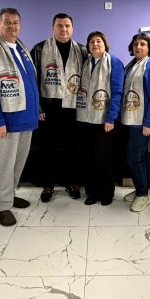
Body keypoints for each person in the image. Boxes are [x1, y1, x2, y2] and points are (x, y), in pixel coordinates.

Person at [0, 8, 39, 226]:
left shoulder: (21, 47)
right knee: (4, 165)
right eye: (7, 22)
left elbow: (30, 82)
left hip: (26, 118)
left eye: (15, 22)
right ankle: (2, 206)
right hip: (6, 122)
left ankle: (10, 195)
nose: (12, 26)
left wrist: (37, 109)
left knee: (18, 162)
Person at [30, 13, 88, 203]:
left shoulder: (82, 50)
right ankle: (48, 184)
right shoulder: (39, 49)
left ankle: (72, 182)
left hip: (73, 107)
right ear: (52, 28)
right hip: (49, 106)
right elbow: (33, 80)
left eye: (67, 25)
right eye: (59, 25)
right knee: (47, 147)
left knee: (73, 147)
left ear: (72, 28)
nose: (64, 29)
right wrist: (38, 107)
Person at [76, 31, 124, 206]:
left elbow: (117, 92)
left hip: (105, 120)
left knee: (102, 158)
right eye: (91, 42)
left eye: (98, 41)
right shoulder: (85, 62)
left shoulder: (114, 62)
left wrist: (110, 118)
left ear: (105, 44)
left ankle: (106, 193)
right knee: (88, 157)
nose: (95, 44)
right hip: (85, 118)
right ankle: (92, 192)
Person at [121, 32, 150, 212]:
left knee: (134, 158)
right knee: (141, 156)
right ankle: (143, 190)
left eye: (143, 44)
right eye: (136, 44)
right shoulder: (133, 64)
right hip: (131, 119)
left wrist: (149, 122)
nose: (138, 47)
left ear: (149, 47)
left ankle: (142, 194)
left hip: (141, 122)